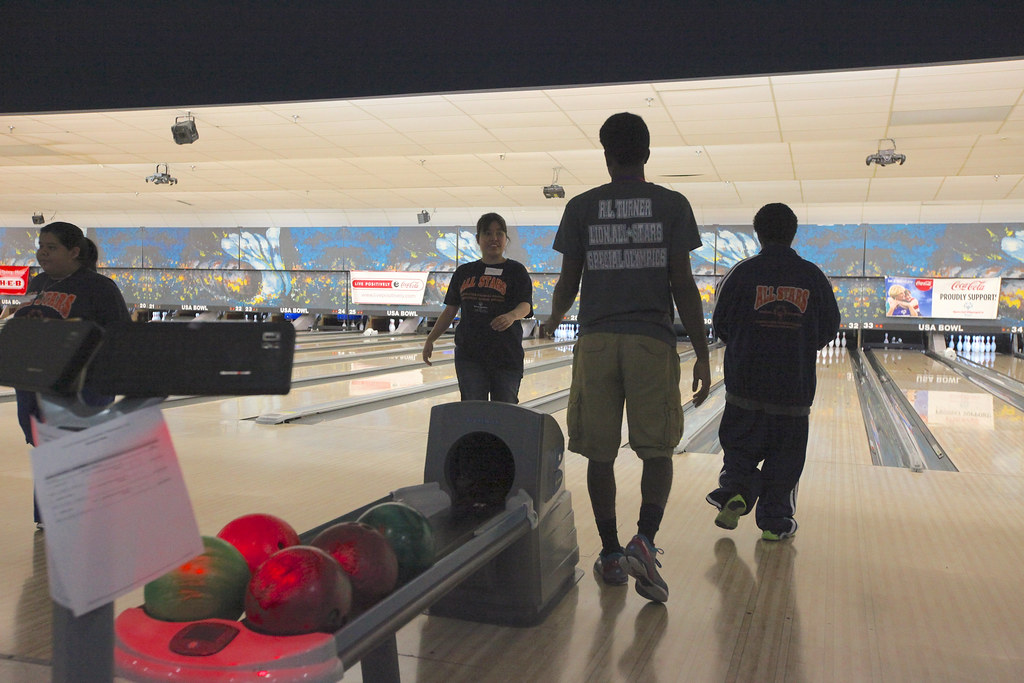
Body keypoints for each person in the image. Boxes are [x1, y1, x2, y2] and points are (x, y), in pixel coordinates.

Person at [543, 112, 711, 603]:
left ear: (605, 153)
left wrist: (552, 319)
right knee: (657, 450)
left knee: (599, 452)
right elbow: (683, 285)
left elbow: (567, 285)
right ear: (647, 152)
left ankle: (612, 552)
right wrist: (702, 353)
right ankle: (645, 538)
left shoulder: (580, 207)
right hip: (651, 342)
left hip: (596, 343)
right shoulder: (673, 205)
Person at [706, 203, 840, 541]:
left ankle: (737, 489)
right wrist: (801, 344)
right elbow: (830, 328)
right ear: (793, 234)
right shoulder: (813, 275)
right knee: (786, 460)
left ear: (758, 234)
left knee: (739, 449)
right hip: (792, 391)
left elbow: (720, 323)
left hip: (744, 388)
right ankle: (774, 523)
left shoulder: (741, 273)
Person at [12, 222, 130, 529]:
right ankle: (51, 516)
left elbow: (122, 335)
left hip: (83, 385)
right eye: (41, 246)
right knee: (47, 447)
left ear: (74, 251)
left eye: (51, 247)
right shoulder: (37, 283)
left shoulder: (99, 288)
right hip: (37, 383)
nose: (42, 253)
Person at [422, 212, 533, 403]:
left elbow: (525, 305)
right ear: (478, 239)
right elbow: (450, 310)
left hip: (506, 355)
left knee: (504, 412)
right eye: (488, 233)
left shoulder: (516, 271)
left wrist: (512, 316)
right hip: (470, 356)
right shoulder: (464, 272)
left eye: (499, 233)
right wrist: (430, 339)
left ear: (506, 238)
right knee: (473, 412)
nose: (494, 238)